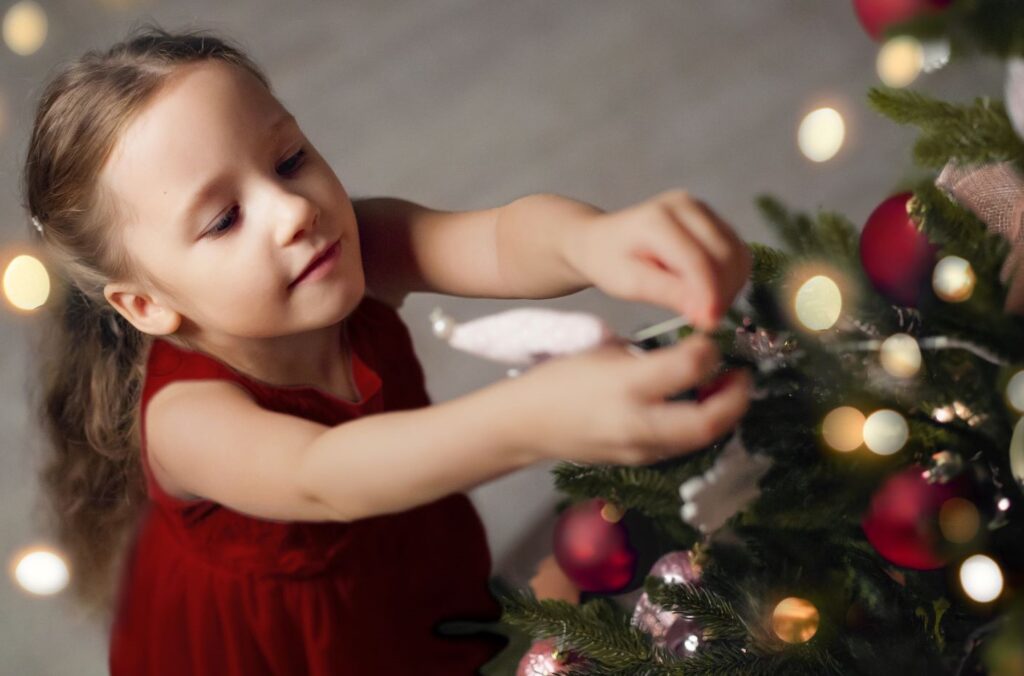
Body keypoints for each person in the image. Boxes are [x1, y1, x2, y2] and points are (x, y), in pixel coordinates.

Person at [21, 22, 753, 676]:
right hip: (284, 649)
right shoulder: (187, 420)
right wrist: (533, 418)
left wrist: (592, 242)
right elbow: (325, 475)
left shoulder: (354, 249)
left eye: (287, 160)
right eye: (224, 219)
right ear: (146, 304)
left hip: (404, 559)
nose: (294, 211)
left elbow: (497, 240)